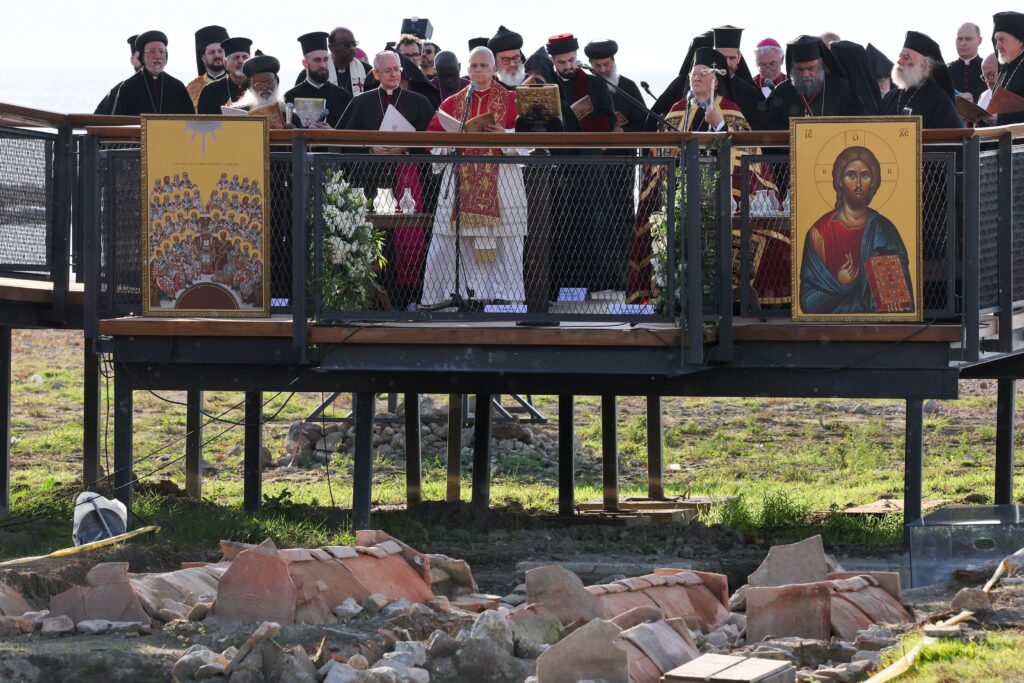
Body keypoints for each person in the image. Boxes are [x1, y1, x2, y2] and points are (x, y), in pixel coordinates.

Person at [421, 46, 527, 306]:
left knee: (507, 245)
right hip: (460, 182)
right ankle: (444, 298)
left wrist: (506, 137)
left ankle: (507, 299)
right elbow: (430, 140)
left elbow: (530, 139)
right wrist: (450, 142)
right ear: (467, 70)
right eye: (474, 66)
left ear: (494, 68)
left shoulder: (512, 99)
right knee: (447, 246)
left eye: (484, 65)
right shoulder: (453, 102)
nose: (479, 70)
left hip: (503, 184)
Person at [800, 146, 914, 315]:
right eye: (851, 175)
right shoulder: (820, 233)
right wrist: (842, 284)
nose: (858, 183)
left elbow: (900, 297)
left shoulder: (884, 229)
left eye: (865, 176)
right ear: (840, 181)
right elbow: (808, 302)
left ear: (873, 182)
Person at [762, 35, 864, 130]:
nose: (806, 74)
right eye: (800, 69)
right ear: (792, 67)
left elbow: (857, 125)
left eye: (811, 68)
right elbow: (766, 129)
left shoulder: (841, 88)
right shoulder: (781, 92)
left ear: (821, 64)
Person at [880, 31, 962, 129]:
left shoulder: (939, 100)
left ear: (922, 66)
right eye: (900, 56)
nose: (899, 61)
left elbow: (949, 139)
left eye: (906, 58)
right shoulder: (890, 97)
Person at [112, 31, 194, 115]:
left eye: (161, 52)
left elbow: (190, 122)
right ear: (142, 57)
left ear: (166, 58)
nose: (157, 56)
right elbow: (120, 123)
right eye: (152, 51)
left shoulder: (178, 87)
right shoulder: (127, 87)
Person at [284, 32, 352, 128]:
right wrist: (306, 132)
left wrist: (333, 134)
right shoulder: (291, 97)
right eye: (317, 60)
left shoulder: (344, 96)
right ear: (305, 63)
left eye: (325, 59)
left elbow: (350, 132)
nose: (323, 65)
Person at [585, 38, 653, 131]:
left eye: (606, 64)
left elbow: (643, 122)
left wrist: (624, 131)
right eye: (597, 65)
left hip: (621, 144)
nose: (602, 69)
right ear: (591, 65)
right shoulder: (583, 86)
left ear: (613, 62)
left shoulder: (628, 86)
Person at [712, 25, 765, 128]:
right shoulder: (703, 88)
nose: (727, 63)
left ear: (739, 58)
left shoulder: (750, 93)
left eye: (732, 58)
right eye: (723, 58)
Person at [981, 11, 1024, 125]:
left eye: (1002, 40)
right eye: (996, 40)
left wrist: (1001, 119)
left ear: (1020, 41)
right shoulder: (1005, 69)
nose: (997, 46)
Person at [196, 36, 251, 115]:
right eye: (236, 57)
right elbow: (206, 124)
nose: (241, 61)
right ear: (225, 63)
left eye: (245, 57)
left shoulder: (258, 87)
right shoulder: (210, 91)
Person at [95, 35, 140, 115]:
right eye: (139, 57)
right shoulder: (121, 89)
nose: (144, 61)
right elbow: (98, 120)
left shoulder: (168, 87)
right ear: (132, 60)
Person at [186, 25, 229, 107]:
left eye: (220, 51)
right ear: (204, 58)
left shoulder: (237, 83)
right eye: (212, 52)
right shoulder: (192, 88)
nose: (217, 55)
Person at [326, 27, 372, 95]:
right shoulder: (320, 72)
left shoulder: (367, 70)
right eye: (346, 45)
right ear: (331, 48)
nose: (352, 48)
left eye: (354, 44)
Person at [949, 22, 986, 102]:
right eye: (959, 39)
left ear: (979, 40)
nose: (963, 43)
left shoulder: (990, 68)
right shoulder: (944, 71)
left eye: (968, 39)